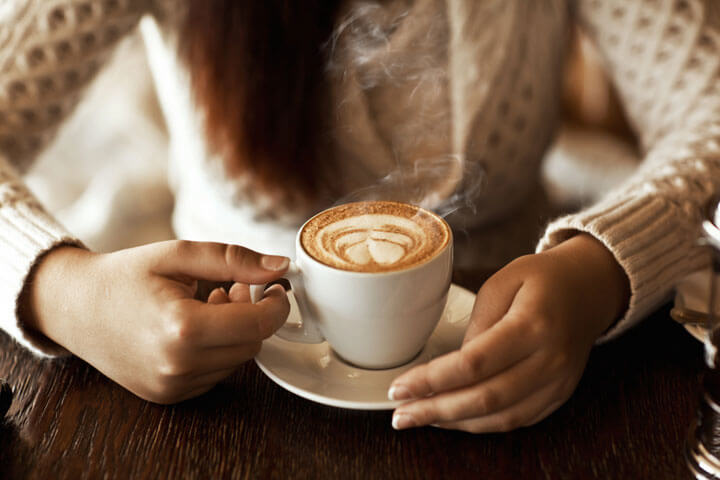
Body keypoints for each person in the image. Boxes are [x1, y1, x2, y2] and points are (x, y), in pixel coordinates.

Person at [0, 0, 718, 434]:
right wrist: (63, 291)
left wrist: (599, 271)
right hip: (229, 383)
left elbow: (709, 110)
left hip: (526, 361)